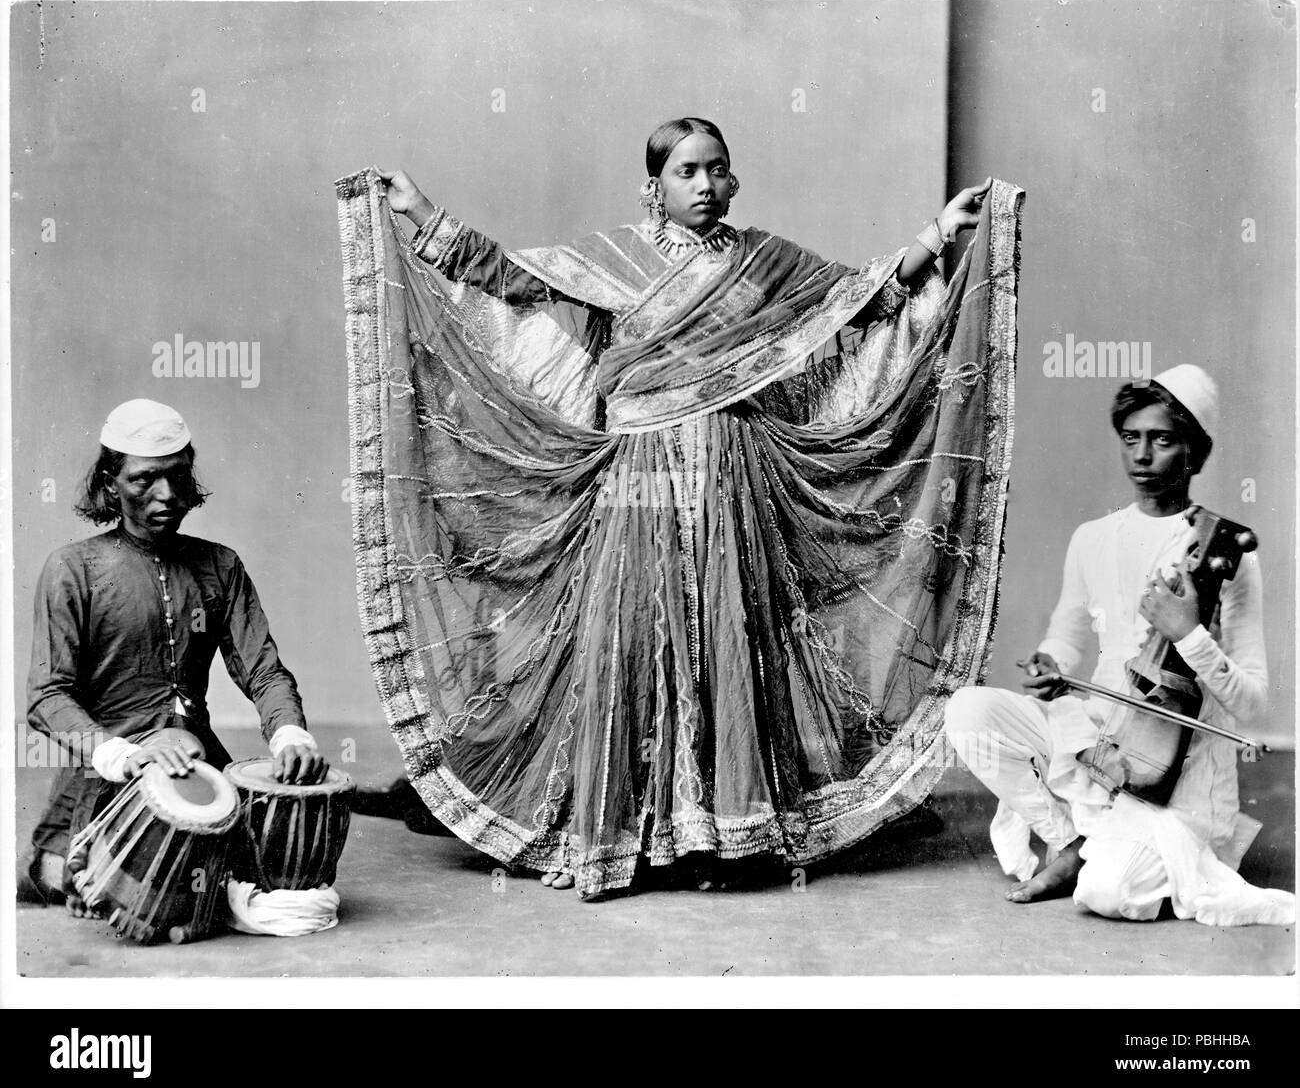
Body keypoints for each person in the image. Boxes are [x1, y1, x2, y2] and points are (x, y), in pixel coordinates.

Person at [335, 117, 1025, 899]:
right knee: (634, 634)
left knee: (731, 632)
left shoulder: (762, 264)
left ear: (733, 182)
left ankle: (730, 836)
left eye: (717, 170)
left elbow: (854, 302)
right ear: (655, 186)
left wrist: (940, 233)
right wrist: (421, 212)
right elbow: (506, 277)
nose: (704, 185)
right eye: (687, 171)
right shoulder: (617, 262)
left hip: (736, 473)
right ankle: (630, 835)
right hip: (640, 479)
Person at [945, 366, 1294, 926]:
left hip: (1170, 760)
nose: (1143, 456)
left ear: (1195, 453)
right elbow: (1067, 633)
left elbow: (1252, 703)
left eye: (1163, 439)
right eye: (1132, 439)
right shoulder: (1093, 537)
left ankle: (1102, 848)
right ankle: (1071, 841)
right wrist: (1050, 661)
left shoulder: (1229, 551)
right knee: (968, 710)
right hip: (1098, 733)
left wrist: (1188, 634)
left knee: (1108, 895)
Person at [19, 399, 328, 914]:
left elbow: (263, 669)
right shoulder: (72, 569)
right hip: (109, 769)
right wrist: (124, 755)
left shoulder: (219, 564)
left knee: (254, 879)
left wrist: (291, 734)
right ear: (109, 481)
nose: (166, 495)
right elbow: (47, 697)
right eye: (144, 479)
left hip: (197, 758)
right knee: (77, 885)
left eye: (178, 476)